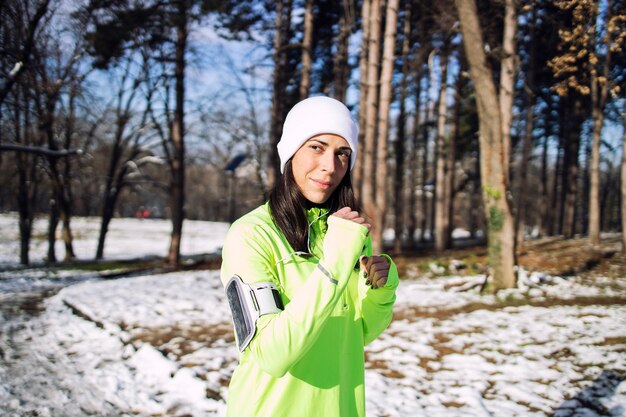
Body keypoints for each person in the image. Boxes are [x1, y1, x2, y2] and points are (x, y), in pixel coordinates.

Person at [220, 95, 399, 417]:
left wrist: (381, 293)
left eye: (342, 153)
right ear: (291, 152)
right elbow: (271, 355)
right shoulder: (251, 234)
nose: (331, 166)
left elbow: (356, 335)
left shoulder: (347, 232)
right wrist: (332, 266)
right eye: (316, 147)